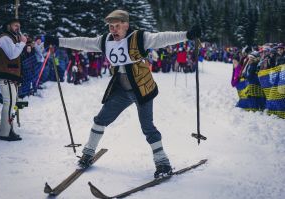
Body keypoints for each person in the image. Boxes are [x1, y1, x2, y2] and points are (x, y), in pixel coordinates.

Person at [45, 9, 200, 178]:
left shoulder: (139, 38)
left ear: (126, 25)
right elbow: (83, 42)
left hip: (142, 90)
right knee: (100, 120)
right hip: (121, 91)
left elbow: (162, 38)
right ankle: (88, 154)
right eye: (111, 27)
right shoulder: (105, 40)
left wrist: (187, 35)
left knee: (147, 127)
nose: (113, 30)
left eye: (117, 26)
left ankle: (163, 163)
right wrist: (58, 41)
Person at [0, 18, 27, 141]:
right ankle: (5, 133)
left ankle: (7, 130)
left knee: (11, 103)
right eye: (15, 25)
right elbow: (12, 55)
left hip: (9, 75)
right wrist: (22, 43)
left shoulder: (11, 38)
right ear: (8, 26)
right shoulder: (5, 38)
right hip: (5, 75)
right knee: (9, 102)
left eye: (19, 25)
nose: (18, 27)